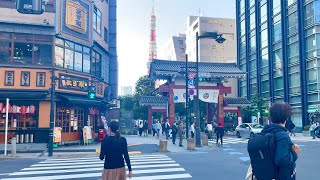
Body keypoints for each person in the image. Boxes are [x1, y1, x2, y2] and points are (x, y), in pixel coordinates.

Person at [248, 102, 300, 180]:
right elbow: (282, 160)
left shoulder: (265, 132)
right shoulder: (282, 135)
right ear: (285, 118)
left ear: (271, 118)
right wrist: (294, 153)